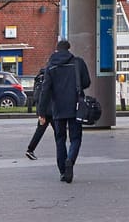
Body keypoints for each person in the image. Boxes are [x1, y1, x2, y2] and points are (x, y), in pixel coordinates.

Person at [36, 38, 92, 184]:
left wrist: (41, 112)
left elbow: (45, 90)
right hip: (75, 107)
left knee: (60, 139)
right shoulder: (78, 63)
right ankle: (70, 161)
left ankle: (63, 171)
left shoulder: (51, 66)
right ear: (69, 49)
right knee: (75, 138)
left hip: (58, 108)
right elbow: (86, 82)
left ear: (57, 49)